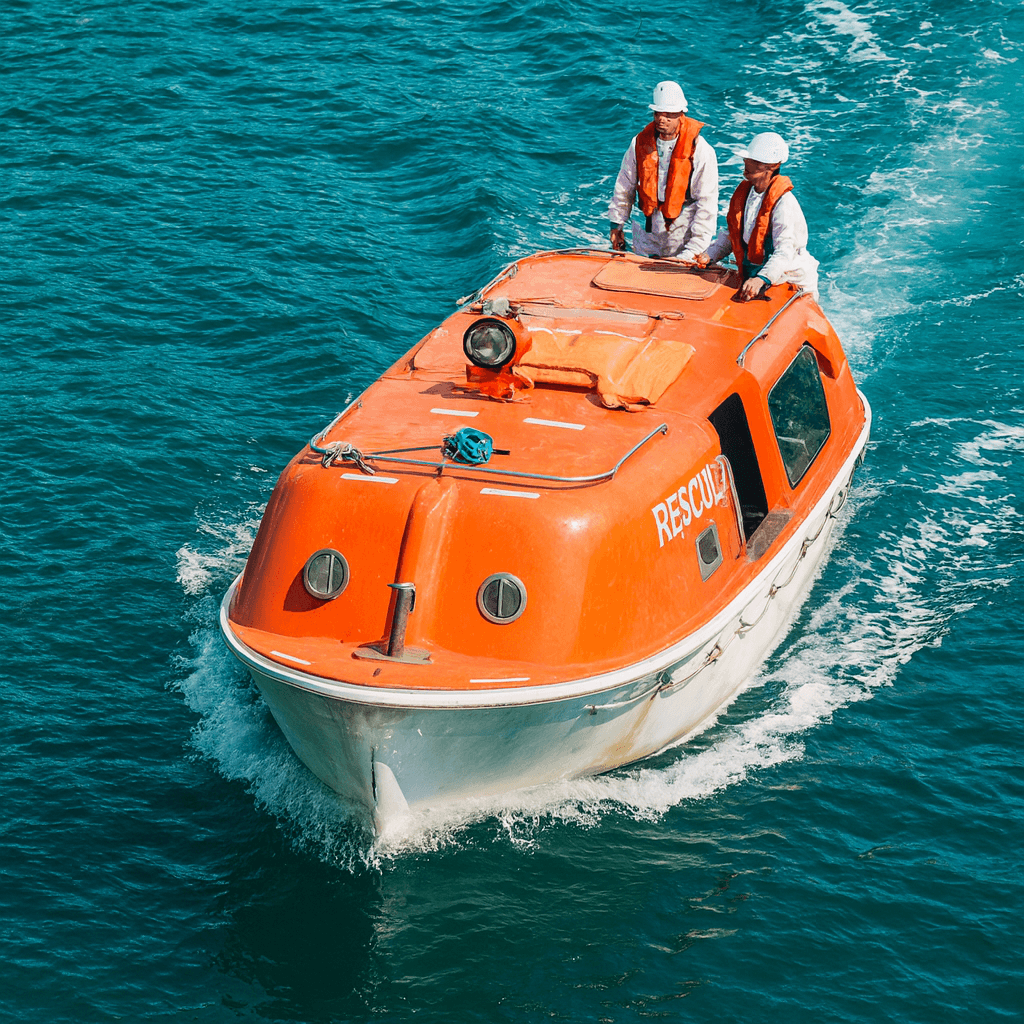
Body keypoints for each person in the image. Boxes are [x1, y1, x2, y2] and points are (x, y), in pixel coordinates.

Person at [693, 131, 819, 301]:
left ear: (772, 166)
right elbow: (733, 235)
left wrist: (761, 279)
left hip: (790, 279)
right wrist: (709, 255)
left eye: (754, 161)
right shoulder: (746, 195)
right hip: (754, 275)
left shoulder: (785, 203)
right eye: (748, 159)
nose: (746, 162)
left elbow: (785, 251)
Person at [607, 81, 719, 261]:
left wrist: (694, 250)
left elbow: (707, 202)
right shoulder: (638, 143)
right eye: (658, 113)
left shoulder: (701, 150)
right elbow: (624, 185)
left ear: (681, 115)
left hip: (682, 233)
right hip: (647, 232)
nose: (662, 119)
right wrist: (616, 225)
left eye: (669, 114)